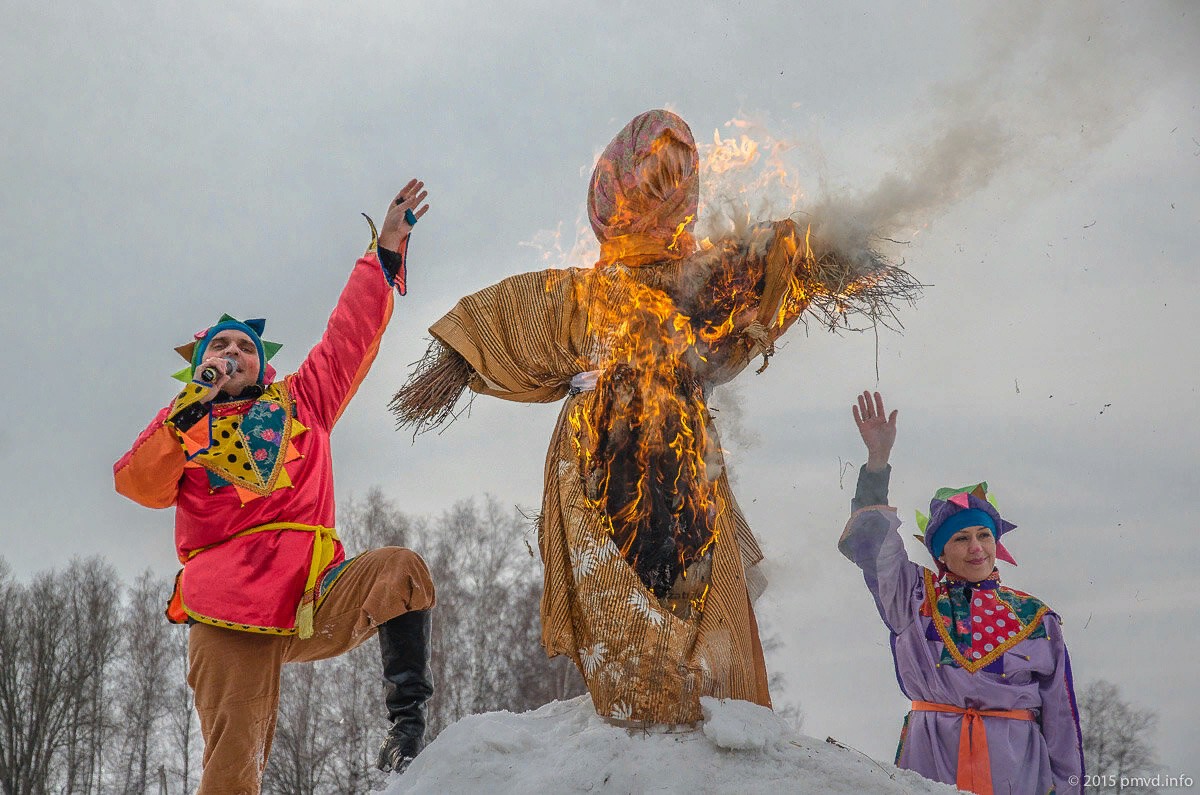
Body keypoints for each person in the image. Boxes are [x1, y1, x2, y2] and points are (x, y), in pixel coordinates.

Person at [389, 110, 911, 725]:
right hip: (602, 457)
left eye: (674, 177)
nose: (662, 194)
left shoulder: (704, 277)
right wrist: (449, 365)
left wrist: (837, 252)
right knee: (625, 594)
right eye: (649, 177)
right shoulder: (579, 292)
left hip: (684, 457)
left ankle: (703, 722)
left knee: (690, 581)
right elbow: (494, 321)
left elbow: (784, 263)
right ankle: (644, 725)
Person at [114, 182, 435, 792]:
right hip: (227, 605)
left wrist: (385, 251)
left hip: (313, 590)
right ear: (201, 365)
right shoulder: (184, 422)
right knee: (235, 760)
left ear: (264, 364)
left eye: (245, 347)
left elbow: (348, 335)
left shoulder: (303, 400)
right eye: (220, 346)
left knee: (402, 572)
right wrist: (186, 417)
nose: (232, 352)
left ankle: (406, 737)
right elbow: (138, 484)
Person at [838, 390, 1084, 795]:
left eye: (984, 535)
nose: (976, 548)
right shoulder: (914, 596)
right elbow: (873, 541)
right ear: (941, 553)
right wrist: (877, 462)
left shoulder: (1037, 619)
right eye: (962, 538)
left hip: (1016, 767)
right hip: (932, 757)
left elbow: (1061, 718)